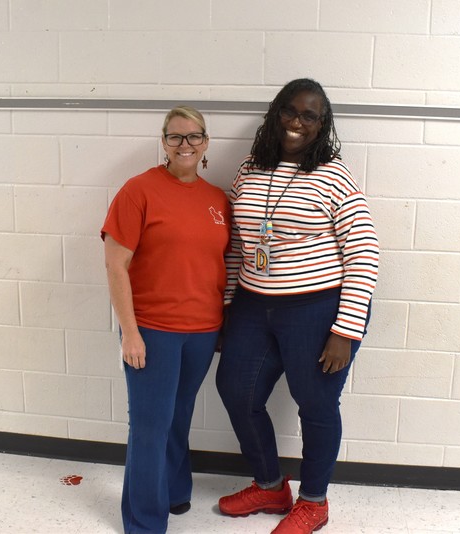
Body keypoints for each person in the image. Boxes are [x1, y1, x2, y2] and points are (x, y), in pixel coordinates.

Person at [216, 78, 380, 533]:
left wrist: (345, 331)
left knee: (316, 405)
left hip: (317, 309)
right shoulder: (249, 168)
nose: (297, 122)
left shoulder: (334, 175)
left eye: (309, 115)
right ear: (276, 114)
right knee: (235, 390)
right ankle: (270, 486)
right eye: (290, 111)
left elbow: (364, 250)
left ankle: (314, 502)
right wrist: (229, 308)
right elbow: (234, 246)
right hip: (253, 304)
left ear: (322, 124)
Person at [101, 105, 230, 533]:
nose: (185, 145)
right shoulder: (138, 191)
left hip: (201, 332)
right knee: (150, 427)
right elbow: (116, 265)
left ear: (206, 142)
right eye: (175, 137)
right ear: (164, 142)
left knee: (179, 416)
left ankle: (175, 492)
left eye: (194, 136)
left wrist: (222, 327)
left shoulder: (217, 201)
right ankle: (143, 522)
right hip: (153, 331)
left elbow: (219, 266)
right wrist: (131, 334)